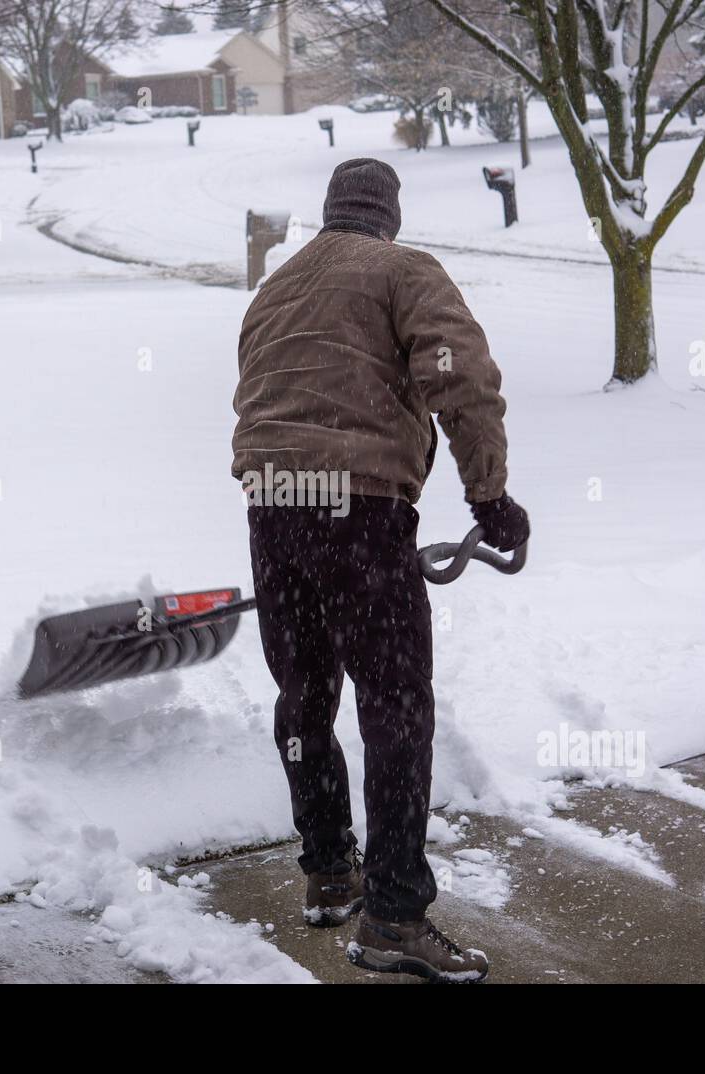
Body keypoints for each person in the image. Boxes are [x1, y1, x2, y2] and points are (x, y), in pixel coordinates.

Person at [231, 158, 529, 983]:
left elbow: (260, 398)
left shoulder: (276, 288)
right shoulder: (403, 269)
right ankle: (394, 915)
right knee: (396, 705)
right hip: (358, 508)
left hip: (273, 504)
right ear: (388, 214)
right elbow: (457, 374)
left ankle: (329, 869)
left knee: (305, 695)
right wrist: (489, 496)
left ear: (330, 212)